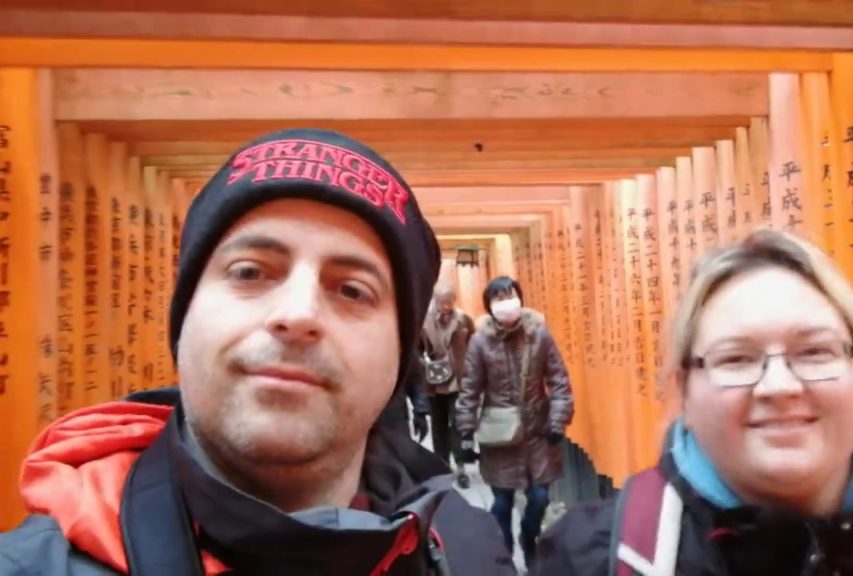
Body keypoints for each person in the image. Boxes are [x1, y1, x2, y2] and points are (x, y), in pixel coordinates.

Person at [0, 128, 516, 575]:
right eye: (249, 272)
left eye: (352, 289)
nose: (298, 314)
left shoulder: (467, 547)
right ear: (183, 316)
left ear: (399, 353)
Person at [534, 228, 853, 575]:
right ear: (686, 389)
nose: (779, 385)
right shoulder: (595, 557)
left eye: (815, 352)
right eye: (737, 359)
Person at [454, 276, 574, 569]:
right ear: (490, 305)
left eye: (509, 295)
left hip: (537, 432)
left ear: (520, 298)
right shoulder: (480, 342)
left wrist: (558, 420)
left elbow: (559, 380)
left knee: (540, 496)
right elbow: (470, 389)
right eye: (498, 298)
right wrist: (466, 433)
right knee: (501, 503)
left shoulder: (539, 335)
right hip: (500, 434)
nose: (505, 303)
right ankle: (503, 557)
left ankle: (529, 536)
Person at [421, 281, 475, 489]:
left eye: (449, 301)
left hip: (458, 381)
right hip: (434, 382)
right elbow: (417, 350)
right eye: (442, 302)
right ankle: (442, 466)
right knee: (438, 426)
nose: (446, 306)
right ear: (435, 300)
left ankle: (461, 468)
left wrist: (468, 364)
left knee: (458, 424)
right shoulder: (424, 322)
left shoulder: (462, 319)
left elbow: (472, 340)